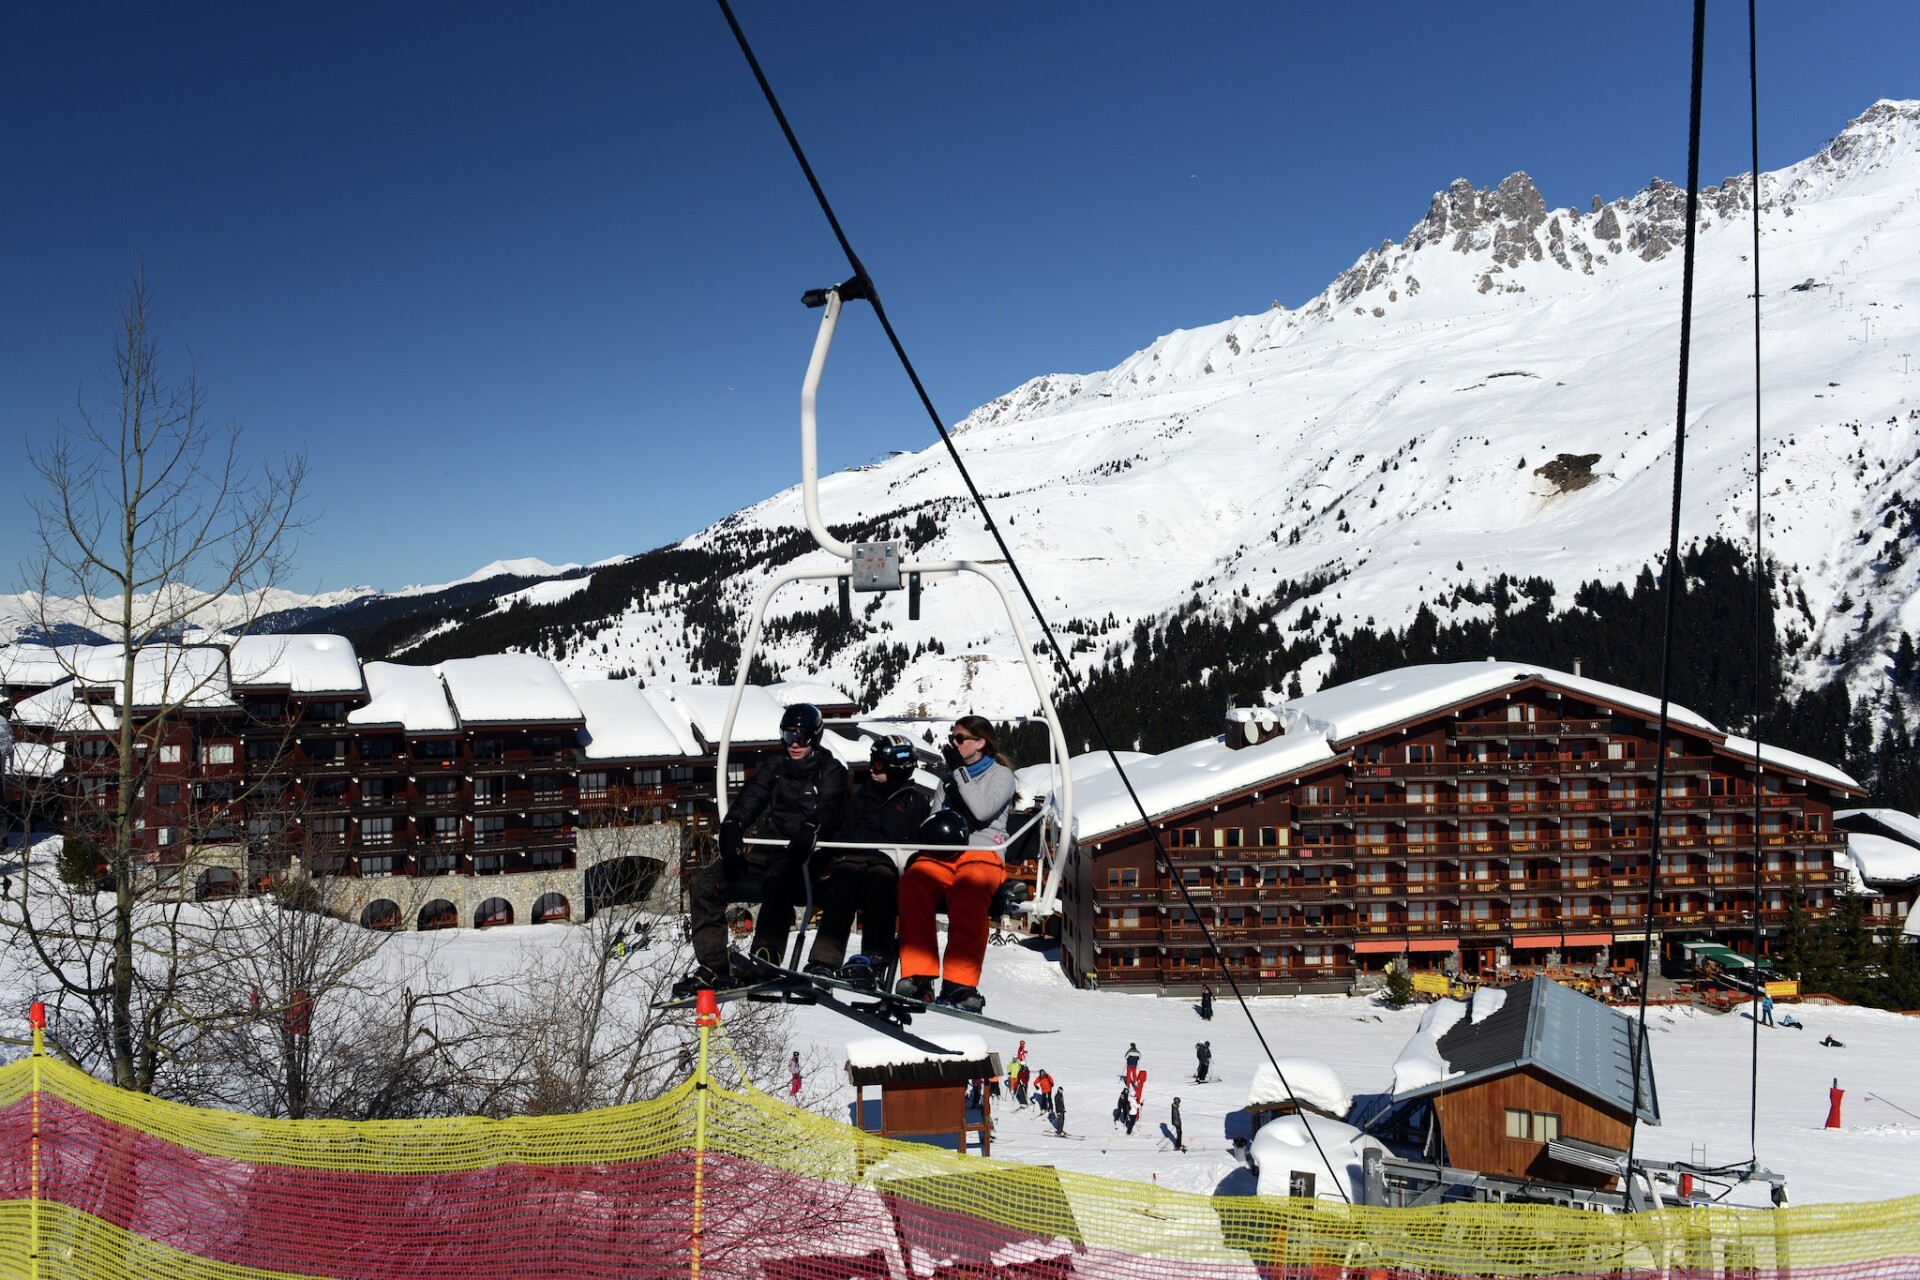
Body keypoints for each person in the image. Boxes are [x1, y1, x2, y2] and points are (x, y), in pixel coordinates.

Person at [677, 704, 847, 997]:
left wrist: (812, 828)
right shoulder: (775, 768)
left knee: (778, 879)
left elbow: (830, 807)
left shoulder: (830, 772)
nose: (795, 744)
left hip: (805, 856)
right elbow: (752, 797)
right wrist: (733, 826)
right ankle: (713, 966)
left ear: (815, 738)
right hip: (768, 849)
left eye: (802, 737)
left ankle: (766, 953)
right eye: (789, 736)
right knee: (704, 882)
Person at [894, 716, 1017, 1012]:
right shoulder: (947, 780)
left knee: (969, 892)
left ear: (981, 742)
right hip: (945, 851)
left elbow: (982, 810)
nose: (954, 743)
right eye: (952, 738)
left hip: (981, 851)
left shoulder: (1000, 775)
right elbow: (935, 818)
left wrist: (960, 775)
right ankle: (919, 975)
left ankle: (959, 982)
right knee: (914, 884)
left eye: (960, 739)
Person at [804, 736, 930, 987]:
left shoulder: (915, 803)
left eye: (879, 764)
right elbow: (843, 831)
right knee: (841, 885)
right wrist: (826, 855)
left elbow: (918, 842)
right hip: (853, 857)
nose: (872, 768)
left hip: (889, 860)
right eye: (872, 761)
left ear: (897, 769)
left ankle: (875, 959)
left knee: (880, 885)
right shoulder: (861, 798)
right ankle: (824, 960)